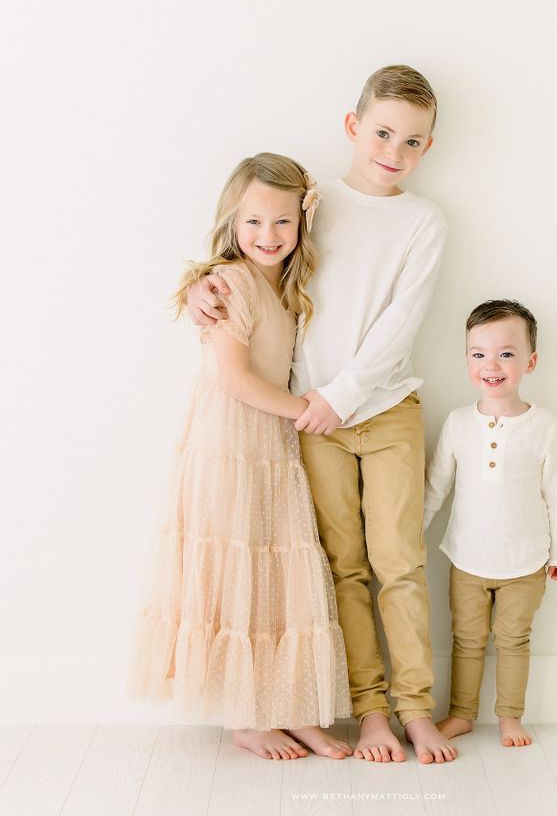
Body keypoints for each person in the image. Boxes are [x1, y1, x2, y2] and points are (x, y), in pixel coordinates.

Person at [187, 66, 456, 764]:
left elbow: (401, 320)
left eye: (413, 141)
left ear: (428, 147)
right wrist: (199, 292)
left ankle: (416, 709)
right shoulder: (312, 203)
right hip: (310, 418)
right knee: (342, 566)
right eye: (382, 133)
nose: (393, 151)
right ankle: (368, 713)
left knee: (398, 561)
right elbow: (256, 258)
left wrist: (339, 397)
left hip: (379, 405)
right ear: (353, 127)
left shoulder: (424, 221)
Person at [128, 152, 352, 761]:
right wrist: (304, 407)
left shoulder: (286, 284)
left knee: (278, 576)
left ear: (302, 223)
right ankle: (246, 718)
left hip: (269, 447)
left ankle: (290, 708)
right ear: (233, 221)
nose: (268, 236)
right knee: (237, 576)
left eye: (282, 222)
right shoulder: (229, 283)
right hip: (229, 443)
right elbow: (233, 379)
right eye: (253, 223)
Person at [424, 300, 557, 747]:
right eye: (478, 354)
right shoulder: (457, 424)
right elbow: (435, 487)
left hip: (527, 561)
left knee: (514, 640)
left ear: (530, 361)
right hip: (467, 558)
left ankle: (510, 716)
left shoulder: (543, 425)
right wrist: (409, 533)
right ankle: (461, 714)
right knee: (466, 640)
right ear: (467, 359)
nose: (491, 365)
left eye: (506, 354)